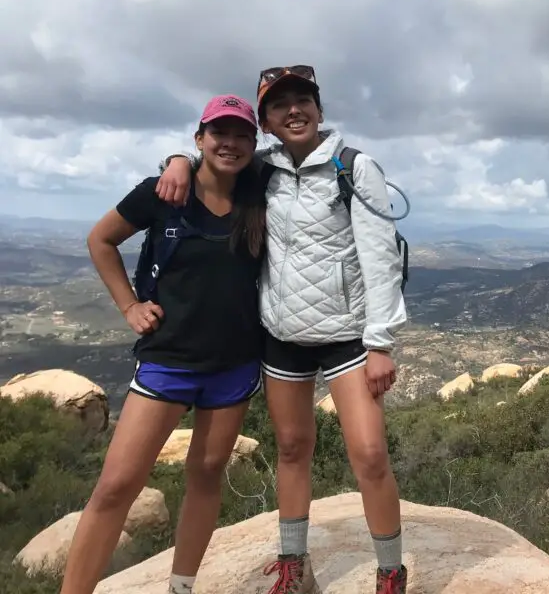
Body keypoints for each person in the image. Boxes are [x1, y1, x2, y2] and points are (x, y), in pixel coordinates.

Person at [155, 66, 408, 594]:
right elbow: (210, 169)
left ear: (318, 109)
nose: (294, 110)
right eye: (279, 104)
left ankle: (390, 572)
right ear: (266, 122)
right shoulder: (261, 169)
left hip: (346, 335)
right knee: (292, 448)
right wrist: (176, 159)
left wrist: (381, 342)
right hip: (282, 335)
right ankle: (294, 567)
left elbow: (380, 258)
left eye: (303, 100)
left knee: (369, 454)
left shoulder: (353, 168)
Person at [60, 95, 267, 594]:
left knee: (207, 473)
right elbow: (101, 240)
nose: (231, 143)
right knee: (116, 486)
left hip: (234, 362)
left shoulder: (260, 192)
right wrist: (129, 306)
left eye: (242, 135)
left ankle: (181, 586)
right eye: (219, 133)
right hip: (169, 359)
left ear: (253, 146)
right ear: (200, 139)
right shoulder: (166, 192)